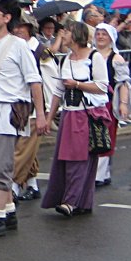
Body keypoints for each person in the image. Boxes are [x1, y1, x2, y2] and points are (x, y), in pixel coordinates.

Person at [0, 0, 46, 239]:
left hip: (8, 112)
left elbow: (34, 81)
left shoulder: (18, 45)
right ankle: (10, 211)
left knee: (1, 167)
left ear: (6, 18)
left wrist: (41, 115)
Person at [41, 21, 110, 217]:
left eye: (68, 31)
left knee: (79, 159)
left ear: (77, 34)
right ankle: (77, 201)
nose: (64, 34)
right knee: (65, 158)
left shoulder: (94, 57)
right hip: (69, 114)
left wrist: (78, 84)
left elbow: (103, 86)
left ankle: (71, 201)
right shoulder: (65, 59)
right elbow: (58, 91)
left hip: (85, 114)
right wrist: (49, 117)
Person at [11, 14, 59, 201]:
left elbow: (51, 83)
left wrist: (47, 112)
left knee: (22, 148)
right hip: (18, 107)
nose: (16, 30)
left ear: (29, 29)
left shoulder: (41, 52)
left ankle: (13, 187)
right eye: (14, 27)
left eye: (20, 27)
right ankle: (32, 185)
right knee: (24, 147)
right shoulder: (16, 49)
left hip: (34, 108)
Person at [93, 23, 131, 187]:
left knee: (106, 137)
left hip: (108, 103)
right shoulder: (91, 55)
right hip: (92, 102)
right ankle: (103, 172)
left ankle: (100, 175)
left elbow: (123, 83)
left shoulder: (116, 58)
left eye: (104, 34)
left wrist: (123, 104)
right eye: (98, 33)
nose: (101, 37)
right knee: (94, 138)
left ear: (111, 38)